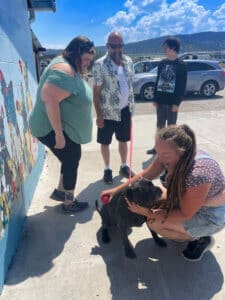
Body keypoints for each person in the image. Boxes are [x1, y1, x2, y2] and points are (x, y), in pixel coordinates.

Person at [101, 124, 225, 261]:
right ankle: (181, 229)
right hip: (192, 200)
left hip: (210, 214)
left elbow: (185, 213)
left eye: (165, 154)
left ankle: (201, 238)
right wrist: (116, 190)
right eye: (158, 153)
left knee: (154, 222)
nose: (160, 159)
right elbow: (145, 176)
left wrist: (148, 213)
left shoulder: (198, 175)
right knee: (156, 205)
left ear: (182, 152)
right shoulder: (170, 155)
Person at [29, 36, 95, 213]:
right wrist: (58, 134)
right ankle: (69, 202)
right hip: (49, 128)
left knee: (69, 158)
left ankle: (60, 191)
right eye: (86, 59)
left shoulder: (66, 63)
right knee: (72, 158)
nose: (88, 63)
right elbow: (49, 99)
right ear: (76, 53)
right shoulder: (64, 70)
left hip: (57, 127)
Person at [92, 31, 135, 184]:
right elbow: (96, 93)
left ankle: (124, 166)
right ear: (107, 46)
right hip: (107, 112)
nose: (118, 49)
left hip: (125, 110)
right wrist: (99, 115)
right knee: (105, 142)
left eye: (121, 45)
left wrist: (130, 107)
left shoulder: (129, 61)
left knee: (123, 140)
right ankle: (107, 169)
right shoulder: (99, 65)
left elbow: (129, 85)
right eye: (114, 46)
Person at [147, 36, 187, 155]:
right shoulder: (162, 63)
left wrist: (177, 103)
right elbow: (158, 80)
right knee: (160, 125)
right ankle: (158, 147)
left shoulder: (181, 65)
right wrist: (155, 98)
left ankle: (170, 149)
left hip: (172, 102)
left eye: (166, 47)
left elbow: (182, 85)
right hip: (161, 100)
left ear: (173, 47)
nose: (164, 49)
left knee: (171, 128)